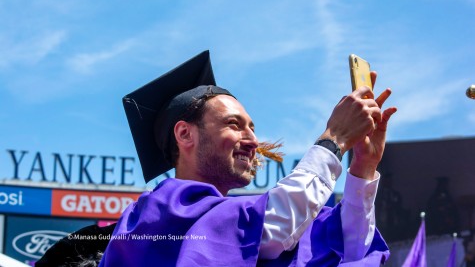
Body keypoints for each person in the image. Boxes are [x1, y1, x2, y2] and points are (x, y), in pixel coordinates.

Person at [40, 50, 397, 266]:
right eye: (234, 124)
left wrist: (363, 169)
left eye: (252, 127)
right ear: (185, 134)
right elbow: (274, 227)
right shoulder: (157, 214)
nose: (253, 140)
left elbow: (350, 251)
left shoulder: (237, 218)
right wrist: (332, 140)